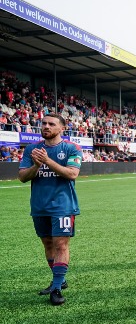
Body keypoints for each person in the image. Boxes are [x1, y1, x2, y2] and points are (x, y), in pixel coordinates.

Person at [18, 114, 81, 305]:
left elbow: (72, 173)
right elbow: (22, 177)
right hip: (39, 205)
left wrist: (47, 161)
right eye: (44, 123)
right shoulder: (31, 149)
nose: (46, 126)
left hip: (63, 205)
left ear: (62, 128)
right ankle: (59, 280)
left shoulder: (71, 148)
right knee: (47, 243)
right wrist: (36, 165)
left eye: (51, 124)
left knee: (61, 244)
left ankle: (56, 288)